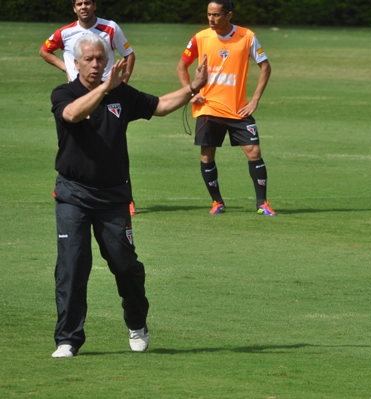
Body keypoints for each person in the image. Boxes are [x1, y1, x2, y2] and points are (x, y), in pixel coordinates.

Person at [50, 33, 207, 358]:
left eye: (100, 59)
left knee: (125, 266)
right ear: (76, 63)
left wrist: (193, 87)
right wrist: (104, 89)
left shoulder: (121, 93)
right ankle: (68, 340)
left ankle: (137, 324)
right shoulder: (64, 93)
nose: (95, 65)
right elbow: (72, 115)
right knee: (72, 266)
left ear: (108, 61)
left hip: (113, 197)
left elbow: (160, 106)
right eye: (89, 60)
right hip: (73, 195)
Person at [176, 0, 276, 216]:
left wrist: (255, 100)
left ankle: (262, 203)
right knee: (207, 156)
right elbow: (182, 65)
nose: (211, 19)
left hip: (238, 110)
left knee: (254, 152)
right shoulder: (200, 37)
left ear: (228, 15)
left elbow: (265, 67)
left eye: (216, 15)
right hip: (208, 108)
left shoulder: (247, 36)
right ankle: (217, 202)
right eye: (209, 14)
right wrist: (191, 92)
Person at [40, 0, 138, 216]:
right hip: (77, 96)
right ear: (74, 8)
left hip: (107, 94)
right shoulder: (64, 33)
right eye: (78, 4)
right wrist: (65, 67)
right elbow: (44, 51)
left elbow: (129, 54)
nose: (83, 7)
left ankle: (127, 197)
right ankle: (66, 186)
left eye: (87, 2)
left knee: (114, 143)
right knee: (72, 143)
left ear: (95, 5)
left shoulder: (110, 28)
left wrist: (125, 79)